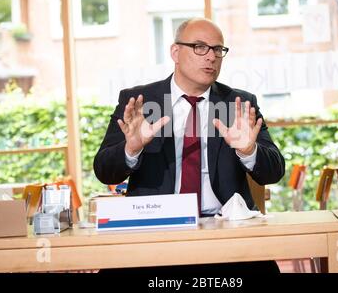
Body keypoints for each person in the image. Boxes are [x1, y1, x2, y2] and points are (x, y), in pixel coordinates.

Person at [94, 17, 285, 274]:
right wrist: (131, 149)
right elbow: (104, 171)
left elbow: (274, 171)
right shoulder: (140, 101)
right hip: (154, 233)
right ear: (175, 51)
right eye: (199, 47)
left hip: (224, 233)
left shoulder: (237, 103)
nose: (211, 57)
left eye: (218, 50)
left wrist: (248, 151)